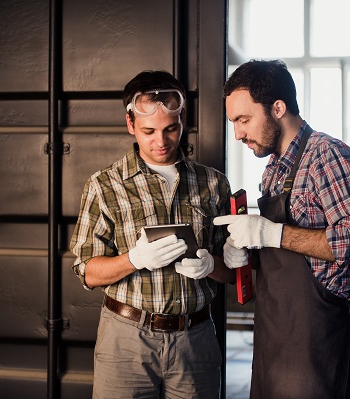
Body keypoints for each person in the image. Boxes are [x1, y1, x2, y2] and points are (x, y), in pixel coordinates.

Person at [214, 59, 350, 399]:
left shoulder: (328, 156)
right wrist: (245, 252)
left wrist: (272, 233)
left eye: (244, 120)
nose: (238, 134)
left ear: (278, 107)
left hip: (316, 340)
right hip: (274, 335)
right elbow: (284, 255)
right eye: (234, 122)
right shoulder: (273, 170)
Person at [69, 70, 235, 398]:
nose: (161, 141)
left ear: (182, 119)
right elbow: (86, 271)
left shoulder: (213, 184)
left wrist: (210, 265)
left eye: (170, 128)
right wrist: (133, 259)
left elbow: (233, 273)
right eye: (149, 131)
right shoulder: (104, 185)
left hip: (196, 339)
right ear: (130, 124)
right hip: (126, 340)